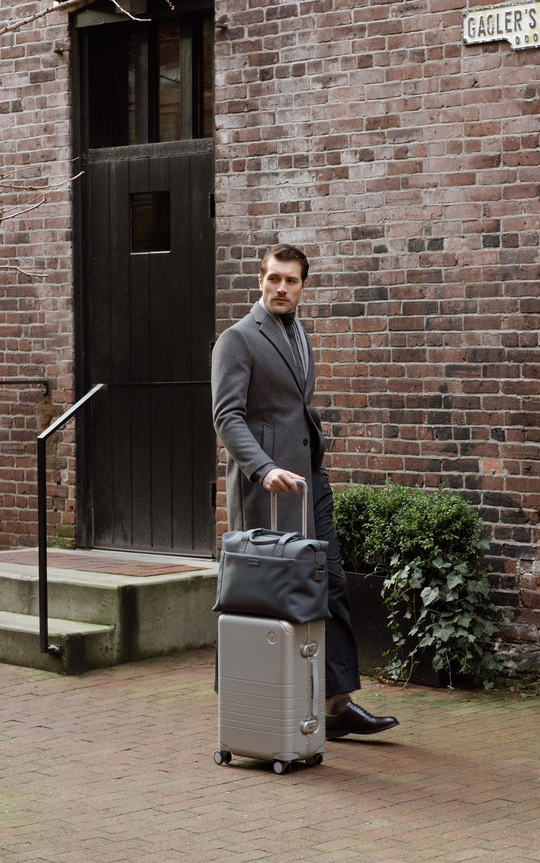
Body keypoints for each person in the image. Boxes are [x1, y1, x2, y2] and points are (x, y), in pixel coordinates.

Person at [211, 243, 398, 740]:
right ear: (259, 280)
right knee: (266, 599)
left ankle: (337, 704)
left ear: (303, 287)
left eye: (290, 281)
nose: (280, 288)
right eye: (273, 279)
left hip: (309, 483)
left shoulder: (297, 334)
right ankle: (251, 701)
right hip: (268, 488)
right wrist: (263, 466)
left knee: (332, 585)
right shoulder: (236, 339)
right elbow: (226, 418)